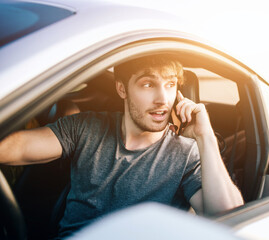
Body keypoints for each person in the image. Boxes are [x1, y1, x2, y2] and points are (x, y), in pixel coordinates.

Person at [0, 55, 244, 237]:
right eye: (148, 84)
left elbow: (229, 216)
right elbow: (18, 148)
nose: (163, 99)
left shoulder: (186, 153)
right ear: (122, 89)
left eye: (170, 85)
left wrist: (206, 137)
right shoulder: (87, 127)